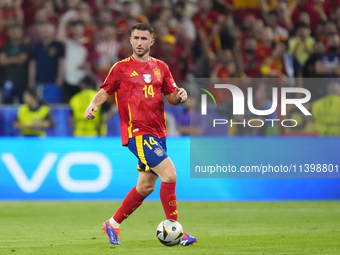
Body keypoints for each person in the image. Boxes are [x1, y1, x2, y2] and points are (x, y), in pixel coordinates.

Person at [84, 23, 197, 246]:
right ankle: (176, 230)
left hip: (159, 133)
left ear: (151, 42)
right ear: (130, 40)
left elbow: (171, 97)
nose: (139, 42)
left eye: (144, 39)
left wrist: (180, 95)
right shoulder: (121, 68)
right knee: (170, 175)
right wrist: (92, 105)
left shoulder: (161, 68)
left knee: (145, 186)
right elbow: (104, 91)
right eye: (135, 38)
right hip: (137, 133)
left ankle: (112, 224)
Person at [0, 24, 30, 104]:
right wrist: (16, 59)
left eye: (17, 31)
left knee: (22, 103)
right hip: (7, 79)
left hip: (22, 80)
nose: (15, 33)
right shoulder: (5, 47)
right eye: (13, 31)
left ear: (22, 33)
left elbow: (21, 60)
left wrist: (8, 60)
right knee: (6, 102)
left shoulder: (25, 46)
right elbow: (1, 61)